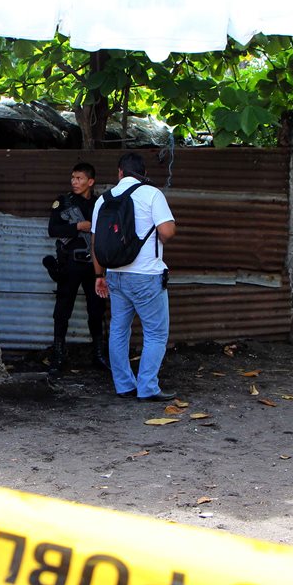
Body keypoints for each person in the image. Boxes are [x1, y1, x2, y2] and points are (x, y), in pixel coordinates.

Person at [92, 153, 178, 402]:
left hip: (115, 274)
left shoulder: (103, 200)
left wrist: (99, 275)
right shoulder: (152, 194)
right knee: (156, 334)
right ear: (142, 172)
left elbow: (96, 242)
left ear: (120, 172)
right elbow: (167, 231)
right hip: (146, 275)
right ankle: (148, 387)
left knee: (119, 330)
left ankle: (124, 386)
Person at [45, 162, 108, 377]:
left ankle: (98, 354)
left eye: (79, 178)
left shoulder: (100, 203)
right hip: (70, 264)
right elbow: (53, 229)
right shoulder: (63, 202)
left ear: (90, 181)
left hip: (94, 265)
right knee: (63, 310)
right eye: (73, 178)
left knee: (97, 309)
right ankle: (58, 354)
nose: (74, 182)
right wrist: (77, 227)